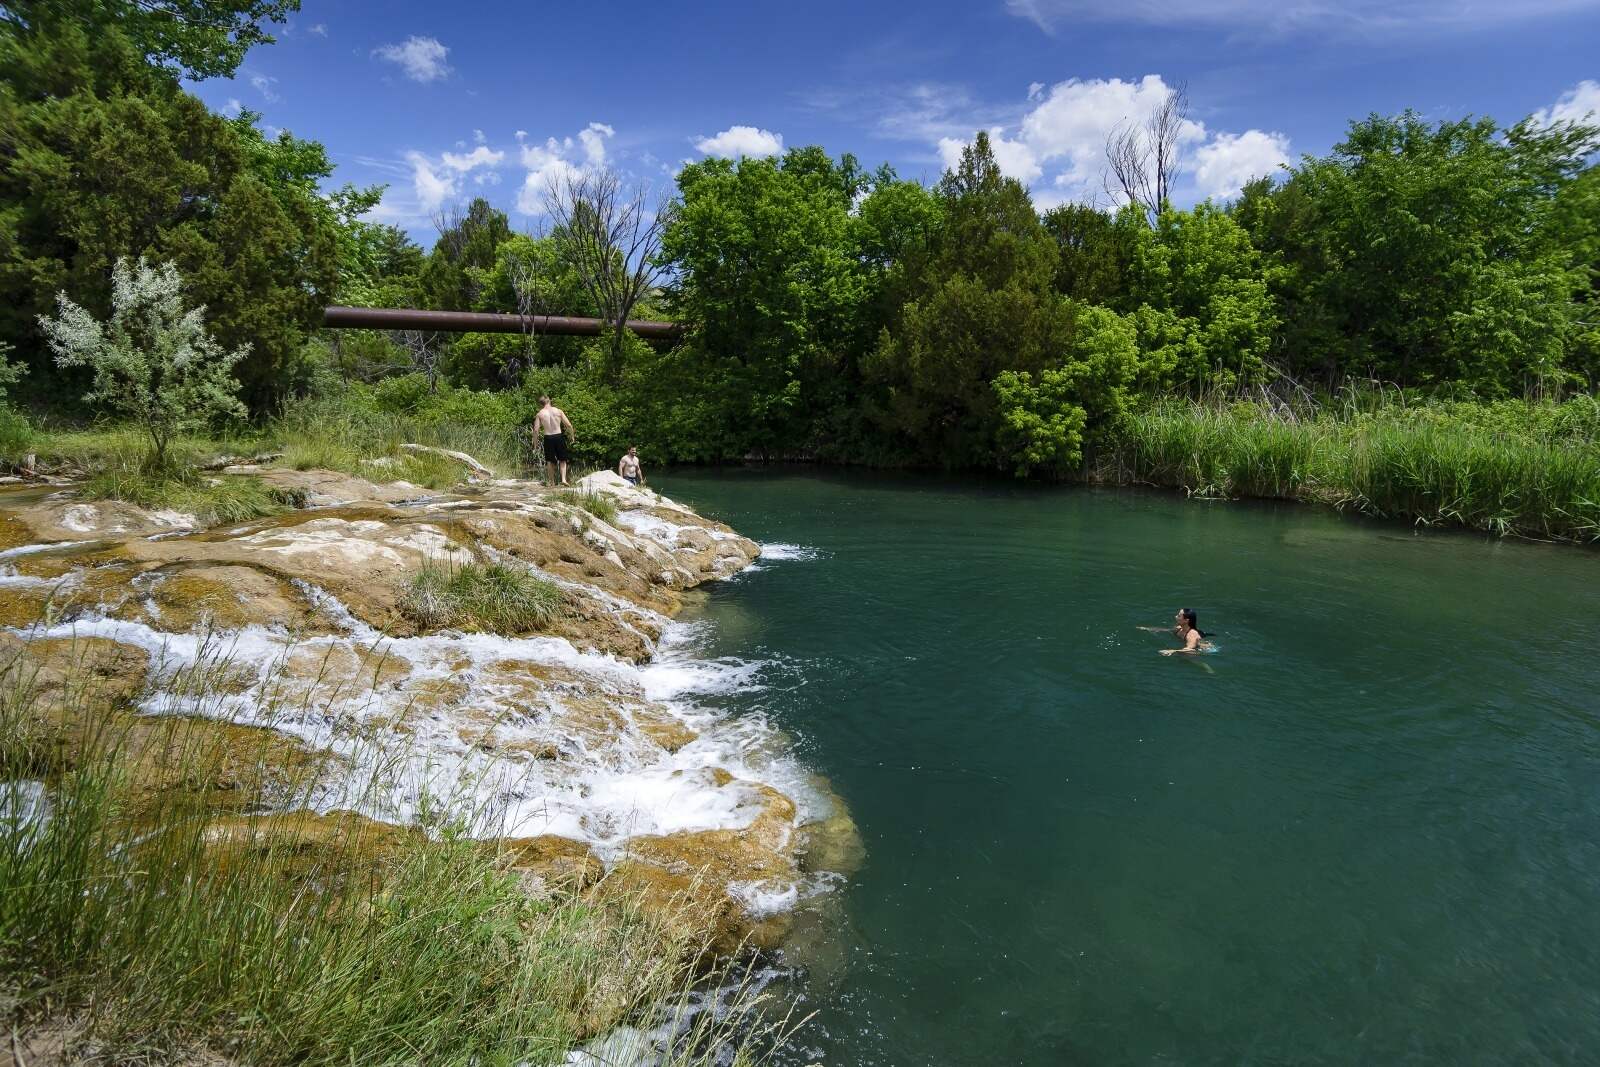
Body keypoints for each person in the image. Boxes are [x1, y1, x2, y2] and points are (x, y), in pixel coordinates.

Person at [533, 395, 575, 486]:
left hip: (548, 438)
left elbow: (536, 430)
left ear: (540, 404)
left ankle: (551, 482)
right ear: (549, 401)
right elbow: (568, 425)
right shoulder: (558, 411)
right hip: (558, 436)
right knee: (563, 459)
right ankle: (563, 479)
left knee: (550, 460)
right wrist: (572, 436)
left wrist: (535, 444)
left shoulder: (540, 414)